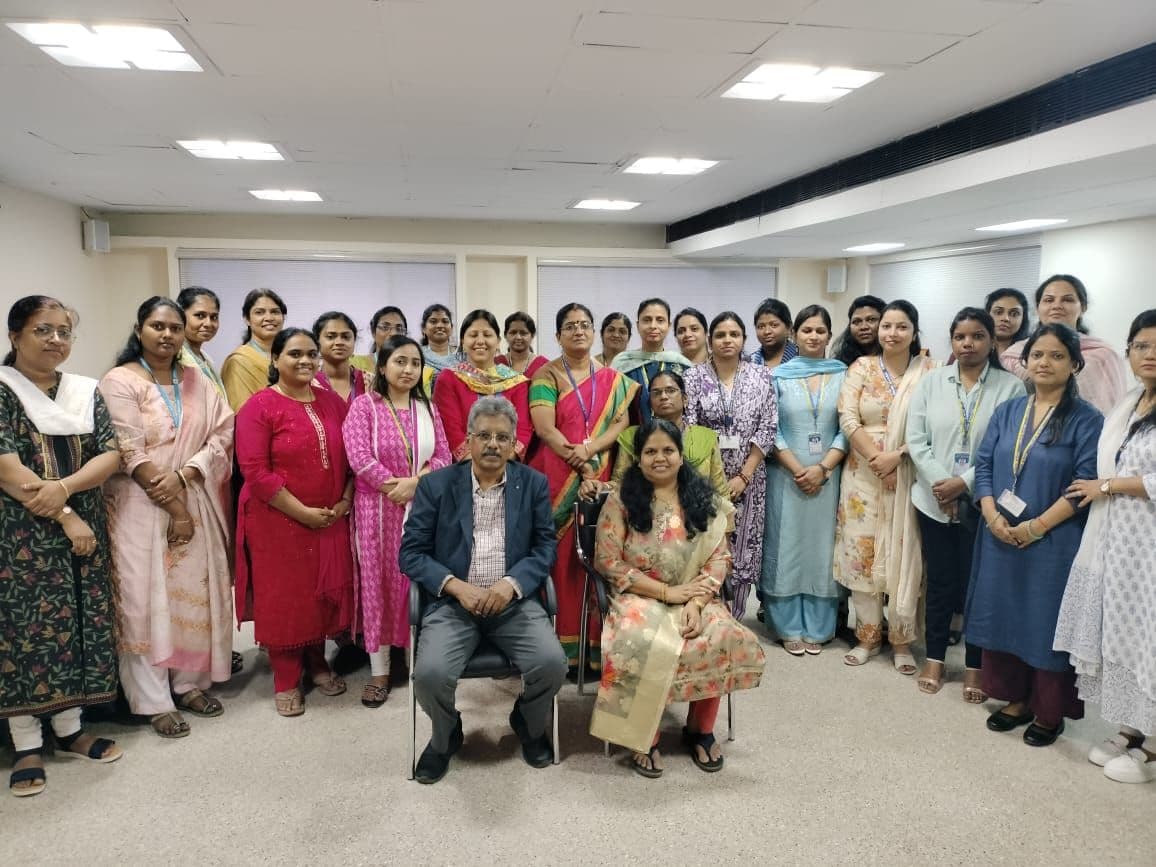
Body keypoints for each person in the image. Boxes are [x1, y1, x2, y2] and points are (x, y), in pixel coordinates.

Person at [399, 397, 568, 784]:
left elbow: (545, 547)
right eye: (485, 436)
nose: (493, 444)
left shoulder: (533, 485)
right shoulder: (436, 486)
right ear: (468, 441)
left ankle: (526, 723)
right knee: (429, 674)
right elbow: (411, 553)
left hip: (512, 602)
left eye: (502, 438)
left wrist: (511, 585)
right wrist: (456, 587)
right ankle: (445, 737)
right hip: (454, 602)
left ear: (514, 445)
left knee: (552, 664)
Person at [592, 419, 766, 777]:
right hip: (640, 595)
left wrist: (696, 602)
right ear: (638, 458)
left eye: (667, 450)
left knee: (721, 635)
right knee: (639, 640)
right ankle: (646, 735)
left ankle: (700, 730)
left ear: (681, 455)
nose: (660, 458)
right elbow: (607, 561)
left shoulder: (704, 499)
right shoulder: (621, 499)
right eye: (650, 451)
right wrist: (666, 592)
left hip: (694, 594)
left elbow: (720, 556)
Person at [0, 296, 123, 797]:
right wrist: (65, 512)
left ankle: (71, 729)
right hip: (23, 532)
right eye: (43, 330)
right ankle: (27, 741)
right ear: (15, 336)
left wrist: (66, 491)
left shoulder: (84, 390)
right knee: (28, 632)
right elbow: (7, 468)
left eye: (64, 332)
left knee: (79, 620)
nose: (56, 340)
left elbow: (111, 454)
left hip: (83, 524)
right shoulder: (4, 390)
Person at [101, 297, 235, 738]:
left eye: (175, 328)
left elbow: (222, 433)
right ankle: (152, 699)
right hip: (139, 505)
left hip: (192, 491)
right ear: (139, 329)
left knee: (190, 594)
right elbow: (126, 446)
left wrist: (187, 475)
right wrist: (172, 501)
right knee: (144, 597)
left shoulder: (198, 380)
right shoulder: (119, 380)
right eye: (157, 326)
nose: (167, 335)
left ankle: (190, 683)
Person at [965, 323, 1103, 747]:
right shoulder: (1009, 410)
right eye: (1038, 355)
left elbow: (1085, 483)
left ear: (1075, 364)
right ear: (1025, 362)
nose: (1045, 363)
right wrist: (990, 514)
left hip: (1053, 540)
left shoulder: (1087, 419)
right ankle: (1014, 698)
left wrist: (1036, 526)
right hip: (999, 532)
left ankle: (1047, 710)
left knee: (1043, 622)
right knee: (1003, 614)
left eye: (1057, 356)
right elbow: (983, 464)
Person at [1054, 309, 1156, 781]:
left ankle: (1150, 745)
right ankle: (1132, 731)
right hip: (1119, 544)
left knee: (1152, 639)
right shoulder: (1131, 400)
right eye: (1141, 346)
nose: (1150, 355)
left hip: (1150, 545)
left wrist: (1108, 487)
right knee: (1126, 633)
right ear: (1129, 352)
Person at [234, 327, 354, 717]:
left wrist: (344, 501)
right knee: (286, 599)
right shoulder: (259, 406)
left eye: (310, 355)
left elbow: (352, 452)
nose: (305, 361)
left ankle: (318, 663)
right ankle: (285, 677)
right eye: (294, 354)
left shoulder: (331, 402)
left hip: (330, 516)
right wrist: (302, 512)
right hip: (278, 520)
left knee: (320, 594)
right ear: (275, 359)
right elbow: (255, 470)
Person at [906, 308, 1025, 699]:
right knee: (939, 583)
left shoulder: (1011, 388)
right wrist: (942, 483)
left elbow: (1004, 448)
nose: (968, 344)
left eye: (977, 336)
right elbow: (916, 438)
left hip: (984, 501)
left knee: (977, 586)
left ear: (992, 341)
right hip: (932, 497)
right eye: (960, 337)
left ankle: (976, 663)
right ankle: (936, 658)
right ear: (952, 341)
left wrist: (963, 483)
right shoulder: (932, 382)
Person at [342, 335, 451, 708]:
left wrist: (414, 485)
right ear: (383, 366)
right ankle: (379, 670)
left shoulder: (427, 407)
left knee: (415, 583)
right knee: (378, 585)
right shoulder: (364, 407)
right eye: (400, 362)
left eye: (415, 363)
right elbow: (358, 457)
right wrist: (394, 488)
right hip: (376, 511)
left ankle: (415, 663)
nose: (408, 370)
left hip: (419, 508)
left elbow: (443, 456)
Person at [529, 303, 636, 671]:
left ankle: (595, 648)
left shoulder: (614, 380)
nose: (578, 331)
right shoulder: (546, 376)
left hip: (601, 471)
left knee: (597, 554)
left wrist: (590, 452)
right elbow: (544, 428)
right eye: (570, 326)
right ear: (557, 335)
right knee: (562, 561)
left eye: (585, 325)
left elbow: (619, 425)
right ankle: (558, 649)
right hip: (556, 477)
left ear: (593, 333)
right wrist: (578, 461)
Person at [834, 300, 936, 673]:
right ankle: (867, 636)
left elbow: (935, 427)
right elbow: (847, 417)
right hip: (863, 473)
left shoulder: (931, 370)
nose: (891, 333)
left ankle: (902, 640)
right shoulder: (862, 367)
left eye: (901, 326)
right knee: (862, 552)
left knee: (906, 552)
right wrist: (878, 460)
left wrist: (899, 456)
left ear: (914, 331)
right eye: (886, 326)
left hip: (911, 469)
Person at [760, 305, 847, 655]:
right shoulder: (777, 376)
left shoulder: (845, 375)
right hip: (786, 475)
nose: (813, 336)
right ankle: (785, 625)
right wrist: (799, 468)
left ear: (829, 335)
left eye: (820, 331)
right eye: (807, 330)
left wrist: (822, 469)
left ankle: (820, 625)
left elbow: (848, 427)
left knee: (822, 547)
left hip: (829, 475)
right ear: (795, 335)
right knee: (786, 543)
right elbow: (772, 429)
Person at [684, 312, 777, 619]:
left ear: (743, 340)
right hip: (704, 480)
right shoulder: (694, 377)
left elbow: (767, 428)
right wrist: (709, 479)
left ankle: (734, 619)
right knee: (708, 548)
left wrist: (744, 476)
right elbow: (689, 427)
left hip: (749, 479)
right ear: (710, 340)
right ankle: (707, 619)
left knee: (744, 551)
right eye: (720, 335)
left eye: (734, 334)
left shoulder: (761, 376)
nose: (727, 340)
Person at [1000, 275, 1128, 415]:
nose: (1056, 306)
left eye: (1067, 299)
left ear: (1083, 307)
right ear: (1038, 308)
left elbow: (1114, 413)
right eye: (1049, 300)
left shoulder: (1103, 357)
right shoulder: (1013, 355)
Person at [609, 370, 728, 498]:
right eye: (656, 393)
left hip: (697, 512)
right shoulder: (633, 437)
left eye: (670, 390)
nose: (664, 396)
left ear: (685, 399)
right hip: (645, 511)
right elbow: (619, 483)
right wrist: (600, 486)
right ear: (650, 403)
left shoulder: (705, 438)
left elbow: (720, 490)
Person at [433, 309, 533, 460]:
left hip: (508, 467)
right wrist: (476, 466)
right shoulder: (449, 378)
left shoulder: (515, 382)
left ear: (498, 341)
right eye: (473, 335)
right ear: (463, 341)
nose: (480, 341)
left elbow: (523, 429)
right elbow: (450, 429)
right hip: (463, 468)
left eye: (487, 335)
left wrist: (503, 462)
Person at [611, 299, 692, 424]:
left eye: (660, 320)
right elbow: (613, 411)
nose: (653, 326)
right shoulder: (622, 364)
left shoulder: (682, 365)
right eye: (647, 320)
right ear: (638, 325)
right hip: (632, 439)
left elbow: (690, 411)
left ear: (669, 326)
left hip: (676, 440)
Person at [221, 288, 287, 412]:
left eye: (275, 312)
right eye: (259, 312)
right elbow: (243, 412)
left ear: (283, 317)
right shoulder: (239, 361)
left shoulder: (290, 357)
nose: (269, 317)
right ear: (247, 319)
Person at [177, 286, 226, 399]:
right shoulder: (174, 357)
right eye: (200, 316)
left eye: (214, 317)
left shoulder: (204, 358)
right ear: (180, 316)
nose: (208, 323)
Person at [312, 311, 369, 403]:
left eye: (346, 337)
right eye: (331, 337)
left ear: (354, 341)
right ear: (316, 342)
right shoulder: (308, 382)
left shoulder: (370, 382)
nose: (339, 342)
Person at [352, 305, 408, 379]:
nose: (393, 333)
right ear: (373, 331)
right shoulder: (355, 364)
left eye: (399, 329)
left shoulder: (415, 369)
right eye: (385, 327)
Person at [833, 295, 886, 367]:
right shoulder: (841, 364)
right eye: (856, 321)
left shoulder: (897, 359)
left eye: (871, 319)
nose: (863, 327)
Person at [496, 311, 549, 378]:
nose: (518, 337)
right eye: (513, 332)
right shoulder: (496, 363)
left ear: (532, 335)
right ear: (505, 335)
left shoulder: (544, 365)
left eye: (523, 333)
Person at [752, 298, 798, 370]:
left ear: (788, 328)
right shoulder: (749, 362)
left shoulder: (802, 358)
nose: (767, 331)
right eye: (761, 326)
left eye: (774, 325)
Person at [419, 303, 461, 379]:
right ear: (423, 328)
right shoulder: (418, 354)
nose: (440, 325)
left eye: (445, 321)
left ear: (451, 328)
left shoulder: (461, 355)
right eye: (433, 321)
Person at [986, 288, 1031, 356]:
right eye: (998, 312)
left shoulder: (1032, 349)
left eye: (1014, 314)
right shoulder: (974, 349)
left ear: (1023, 319)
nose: (1005, 318)